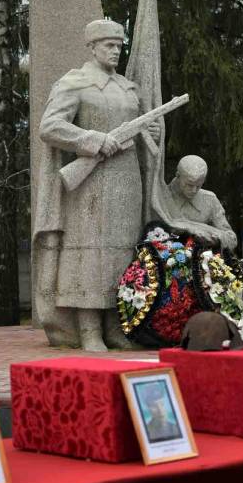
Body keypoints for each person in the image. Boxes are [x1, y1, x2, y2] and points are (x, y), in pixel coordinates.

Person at [33, 19, 160, 351]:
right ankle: (89, 330)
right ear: (91, 47)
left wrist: (151, 133)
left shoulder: (129, 89)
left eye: (119, 45)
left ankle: (117, 327)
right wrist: (92, 139)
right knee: (90, 255)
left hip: (127, 178)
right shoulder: (75, 83)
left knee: (123, 252)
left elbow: (142, 129)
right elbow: (50, 127)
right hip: (90, 182)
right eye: (108, 45)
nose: (116, 50)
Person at [152, 155, 237, 250]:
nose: (193, 190)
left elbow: (231, 239)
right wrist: (189, 229)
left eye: (199, 185)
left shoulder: (210, 200)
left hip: (203, 261)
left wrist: (212, 236)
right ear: (178, 175)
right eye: (189, 185)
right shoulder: (160, 198)